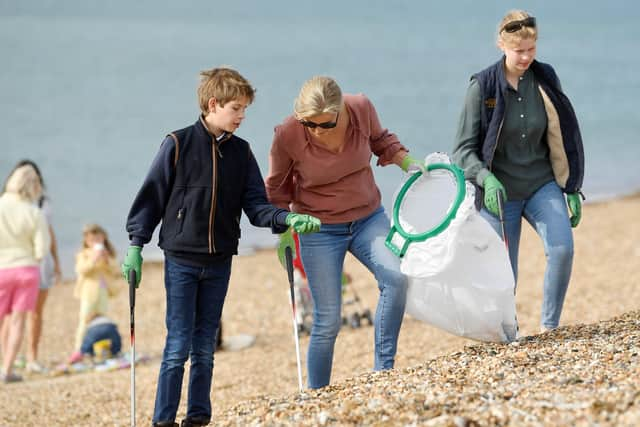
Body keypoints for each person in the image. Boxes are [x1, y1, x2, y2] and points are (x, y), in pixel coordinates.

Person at [121, 67, 321, 427]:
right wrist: (136, 243)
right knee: (178, 344)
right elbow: (151, 196)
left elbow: (257, 207)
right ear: (213, 104)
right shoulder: (177, 143)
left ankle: (198, 418)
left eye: (245, 109)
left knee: (205, 347)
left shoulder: (242, 154)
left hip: (219, 262)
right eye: (236, 108)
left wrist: (285, 220)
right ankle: (163, 420)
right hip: (181, 259)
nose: (242, 116)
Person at [265, 76, 424, 389]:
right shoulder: (287, 134)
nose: (316, 131)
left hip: (367, 217)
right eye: (309, 124)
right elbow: (276, 188)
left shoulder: (361, 108)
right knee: (328, 319)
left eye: (324, 124)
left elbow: (381, 140)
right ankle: (317, 392)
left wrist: (407, 161)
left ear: (340, 111)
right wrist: (282, 226)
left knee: (396, 278)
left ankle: (383, 372)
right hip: (318, 228)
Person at [451, 10, 584, 333]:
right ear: (501, 45)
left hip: (541, 184)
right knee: (503, 276)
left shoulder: (546, 77)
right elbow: (462, 152)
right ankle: (508, 334)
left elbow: (562, 133)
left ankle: (550, 327)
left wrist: (572, 187)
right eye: (518, 50)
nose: (526, 57)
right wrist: (486, 178)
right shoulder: (481, 87)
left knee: (563, 248)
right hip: (499, 193)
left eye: (531, 49)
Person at [0, 160, 62, 374]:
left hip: (2, 268)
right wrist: (34, 258)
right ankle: (7, 370)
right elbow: (42, 247)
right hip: (26, 269)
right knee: (18, 320)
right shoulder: (34, 211)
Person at [69, 224, 121, 364]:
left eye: (98, 239)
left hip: (103, 291)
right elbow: (81, 270)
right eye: (92, 240)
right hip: (88, 292)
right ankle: (79, 349)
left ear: (103, 238)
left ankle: (98, 348)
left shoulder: (107, 254)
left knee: (101, 320)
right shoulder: (83, 254)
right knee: (84, 320)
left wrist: (106, 260)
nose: (96, 242)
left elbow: (116, 271)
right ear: (86, 241)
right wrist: (93, 258)